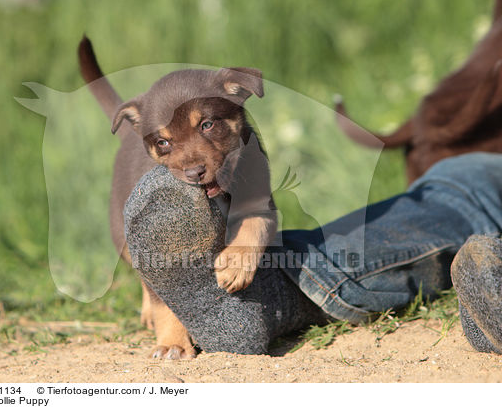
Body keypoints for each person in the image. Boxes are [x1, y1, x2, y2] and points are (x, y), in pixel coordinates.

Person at [123, 152, 502, 355]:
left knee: (455, 216)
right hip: (478, 184)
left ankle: (269, 290)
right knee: (450, 208)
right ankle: (270, 288)